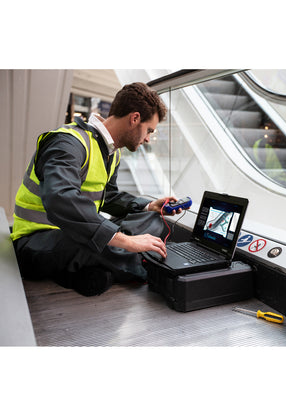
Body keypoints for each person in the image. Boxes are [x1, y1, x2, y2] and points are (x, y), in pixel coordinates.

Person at [11, 82, 181, 297]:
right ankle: (160, 273)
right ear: (134, 118)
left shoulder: (112, 153)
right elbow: (61, 199)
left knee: (154, 220)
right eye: (149, 130)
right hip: (35, 241)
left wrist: (149, 206)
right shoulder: (67, 143)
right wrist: (127, 241)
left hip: (76, 234)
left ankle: (98, 269)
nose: (148, 138)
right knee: (96, 243)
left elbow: (109, 197)